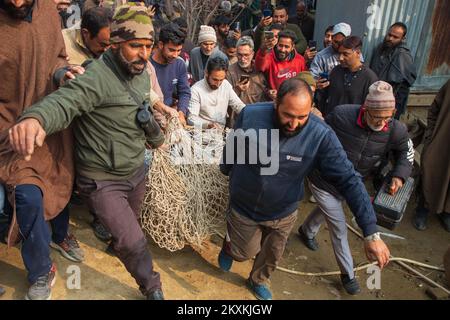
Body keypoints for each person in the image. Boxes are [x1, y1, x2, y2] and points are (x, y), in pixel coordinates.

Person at [8, 4, 166, 300]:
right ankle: (152, 286)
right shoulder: (95, 78)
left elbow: (142, 106)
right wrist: (35, 119)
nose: (144, 54)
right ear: (116, 43)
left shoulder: (142, 73)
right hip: (102, 181)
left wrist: (151, 124)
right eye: (135, 46)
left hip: (135, 171)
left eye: (148, 46)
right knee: (133, 241)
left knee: (126, 232)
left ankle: (118, 245)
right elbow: (65, 102)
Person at [218, 78, 390, 300]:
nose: (294, 124)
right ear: (275, 103)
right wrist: (226, 167)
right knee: (244, 253)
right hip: (245, 205)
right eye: (288, 115)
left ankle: (256, 280)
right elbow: (234, 145)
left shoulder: (320, 135)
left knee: (271, 257)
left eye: (302, 117)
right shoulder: (251, 115)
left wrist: (371, 232)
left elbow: (350, 179)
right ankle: (230, 247)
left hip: (284, 211)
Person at [0, 0, 86, 300]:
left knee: (58, 176)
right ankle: (41, 270)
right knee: (27, 195)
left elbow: (56, 58)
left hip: (48, 122)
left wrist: (62, 74)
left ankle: (60, 236)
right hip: (8, 129)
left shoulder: (47, 11)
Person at [300, 81, 413, 295]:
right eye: (376, 116)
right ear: (365, 108)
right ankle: (348, 274)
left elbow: (406, 152)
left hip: (352, 183)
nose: (381, 123)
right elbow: (318, 137)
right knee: (339, 227)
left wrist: (399, 175)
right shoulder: (341, 115)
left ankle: (306, 231)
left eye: (387, 118)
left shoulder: (396, 129)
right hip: (323, 179)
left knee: (329, 210)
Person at [413, 80, 450, 232]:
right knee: (432, 172)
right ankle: (423, 209)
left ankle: (446, 212)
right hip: (443, 141)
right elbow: (434, 109)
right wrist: (430, 136)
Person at [320, 36, 378, 117]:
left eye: (345, 54)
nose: (340, 58)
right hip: (331, 122)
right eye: (339, 53)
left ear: (358, 53)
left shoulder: (369, 78)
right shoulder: (336, 71)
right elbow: (325, 97)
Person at [370, 22, 417, 119]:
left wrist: (393, 105)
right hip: (374, 96)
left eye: (395, 37)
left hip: (391, 102)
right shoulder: (380, 48)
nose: (390, 39)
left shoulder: (403, 55)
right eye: (389, 35)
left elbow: (405, 83)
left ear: (402, 39)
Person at [150, 23, 191, 126]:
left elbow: (184, 92)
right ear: (160, 45)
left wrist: (181, 112)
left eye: (179, 50)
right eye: (171, 50)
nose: (175, 55)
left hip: (171, 117)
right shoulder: (147, 66)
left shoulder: (179, 63)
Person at [188, 56, 245, 129]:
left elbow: (238, 105)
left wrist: (249, 113)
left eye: (221, 80)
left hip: (220, 133)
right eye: (215, 79)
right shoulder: (196, 90)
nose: (218, 84)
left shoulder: (225, 85)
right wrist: (208, 124)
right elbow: (191, 118)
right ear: (206, 73)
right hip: (202, 134)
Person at [255, 29, 307, 100]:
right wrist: (263, 49)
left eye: (286, 47)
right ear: (276, 44)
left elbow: (304, 81)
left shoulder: (300, 60)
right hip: (272, 101)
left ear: (292, 47)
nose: (282, 50)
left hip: (293, 100)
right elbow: (259, 67)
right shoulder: (269, 57)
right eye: (280, 45)